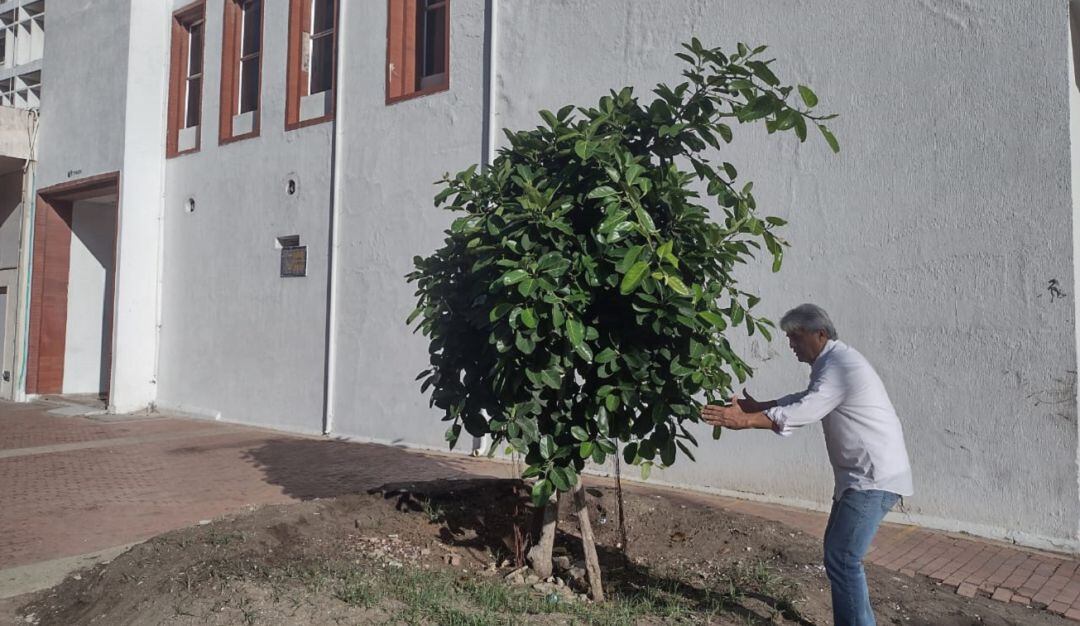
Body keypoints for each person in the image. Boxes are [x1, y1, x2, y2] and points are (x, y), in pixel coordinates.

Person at [701, 303, 913, 626]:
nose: (791, 346)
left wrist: (745, 421)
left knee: (843, 557)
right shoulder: (830, 365)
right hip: (857, 479)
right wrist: (761, 406)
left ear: (820, 334)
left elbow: (806, 409)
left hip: (873, 478)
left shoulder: (842, 366)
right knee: (838, 555)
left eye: (796, 338)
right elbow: (804, 398)